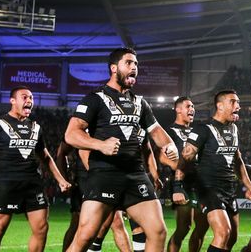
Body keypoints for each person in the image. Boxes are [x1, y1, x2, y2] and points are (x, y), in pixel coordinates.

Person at [64, 47, 178, 252]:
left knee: (158, 232)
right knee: (85, 236)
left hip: (135, 175)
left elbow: (156, 130)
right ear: (114, 68)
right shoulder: (94, 98)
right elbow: (71, 134)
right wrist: (100, 145)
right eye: (129, 63)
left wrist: (169, 145)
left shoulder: (140, 103)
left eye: (136, 64)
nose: (134, 67)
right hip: (105, 173)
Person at [0, 85, 71, 252]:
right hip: (5, 184)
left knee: (41, 229)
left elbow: (46, 157)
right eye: (24, 97)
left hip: (33, 185)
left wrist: (61, 180)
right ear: (12, 101)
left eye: (31, 98)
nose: (29, 101)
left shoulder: (36, 127)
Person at [176, 89, 251, 252]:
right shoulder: (203, 128)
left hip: (229, 189)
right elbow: (185, 157)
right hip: (208, 189)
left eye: (239, 102)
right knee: (223, 233)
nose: (238, 106)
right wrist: (177, 186)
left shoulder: (234, 129)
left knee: (232, 238)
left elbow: (238, 161)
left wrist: (249, 186)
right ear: (220, 106)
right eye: (233, 102)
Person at [55, 139, 131, 252]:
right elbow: (61, 153)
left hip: (107, 177)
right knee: (77, 224)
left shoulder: (109, 125)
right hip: (84, 181)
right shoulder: (80, 126)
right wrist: (64, 179)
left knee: (117, 221)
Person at [167, 96, 209, 252]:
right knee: (184, 227)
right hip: (183, 181)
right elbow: (160, 154)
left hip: (201, 181)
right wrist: (176, 166)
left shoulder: (199, 129)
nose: (192, 109)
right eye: (188, 106)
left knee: (203, 225)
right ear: (178, 109)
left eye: (193, 107)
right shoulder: (169, 131)